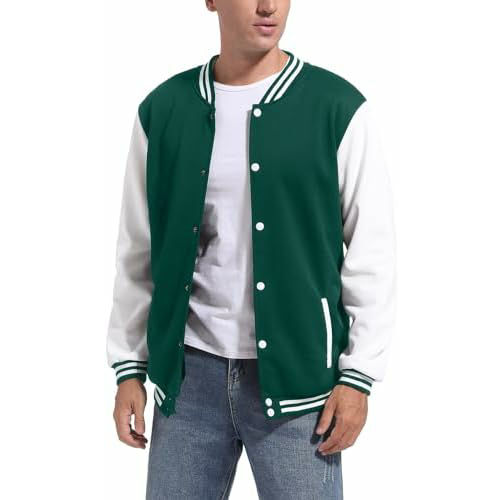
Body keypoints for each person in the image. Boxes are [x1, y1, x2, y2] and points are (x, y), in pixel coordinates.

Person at [106, 0, 397, 498]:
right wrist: (129, 367)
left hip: (300, 387)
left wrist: (358, 376)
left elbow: (373, 253)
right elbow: (139, 249)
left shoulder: (336, 107)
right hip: (187, 382)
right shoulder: (163, 110)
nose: (268, 6)